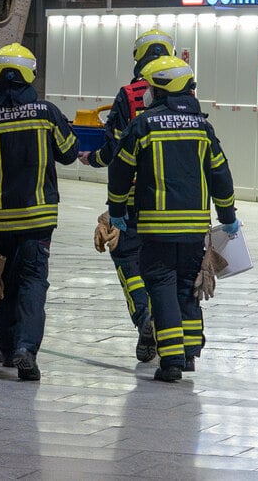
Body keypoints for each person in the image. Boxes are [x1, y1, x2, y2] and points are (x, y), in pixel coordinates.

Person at [107, 55, 237, 382]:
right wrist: (228, 216)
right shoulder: (203, 128)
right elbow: (221, 175)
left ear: (162, 89)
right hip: (194, 230)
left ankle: (172, 361)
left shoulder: (144, 125)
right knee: (189, 286)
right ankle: (191, 351)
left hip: (155, 228)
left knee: (161, 286)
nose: (147, 93)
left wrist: (117, 210)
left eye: (151, 87)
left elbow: (120, 171)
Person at [0, 43, 78, 381]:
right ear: (30, 73)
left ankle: (8, 347)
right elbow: (69, 153)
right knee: (32, 284)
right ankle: (26, 348)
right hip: (38, 219)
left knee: (5, 285)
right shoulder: (47, 113)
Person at [79, 28, 176, 365]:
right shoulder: (185, 96)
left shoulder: (129, 94)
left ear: (138, 59)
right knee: (169, 269)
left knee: (128, 261)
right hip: (174, 200)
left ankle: (144, 320)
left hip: (133, 196)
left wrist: (93, 159)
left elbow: (115, 148)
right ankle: (174, 342)